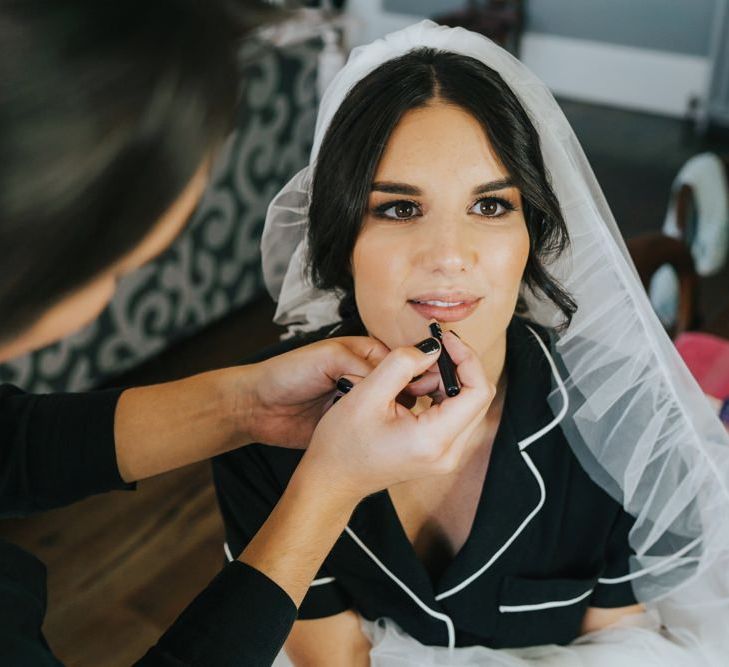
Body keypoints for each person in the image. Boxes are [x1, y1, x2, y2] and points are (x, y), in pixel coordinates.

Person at [214, 20, 729, 667]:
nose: (449, 257)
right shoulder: (262, 422)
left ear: (531, 236)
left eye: (489, 207)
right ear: (340, 238)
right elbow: (328, 651)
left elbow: (618, 641)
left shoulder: (626, 421)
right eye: (399, 208)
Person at [0, 5, 492, 665]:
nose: (448, 255)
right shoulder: (259, 472)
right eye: (119, 271)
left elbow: (11, 444)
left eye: (491, 206)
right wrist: (327, 489)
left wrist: (244, 405)